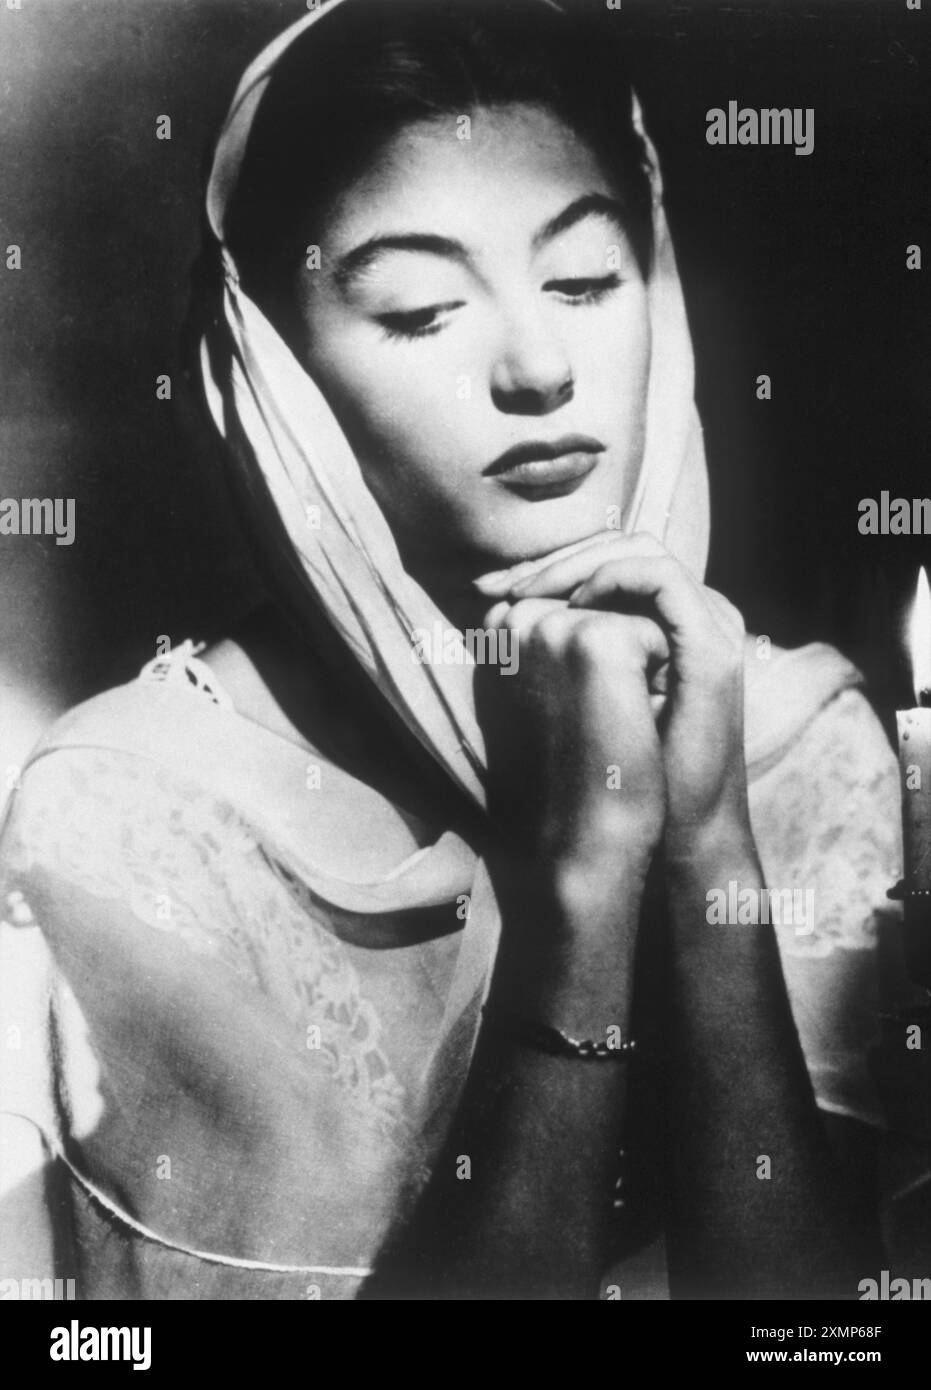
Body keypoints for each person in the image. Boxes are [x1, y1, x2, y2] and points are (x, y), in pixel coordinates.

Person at [0, 0, 906, 1301]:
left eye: (586, 282)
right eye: (422, 310)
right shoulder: (134, 818)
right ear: (272, 371)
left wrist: (706, 841)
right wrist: (583, 889)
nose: (539, 368)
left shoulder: (794, 737)